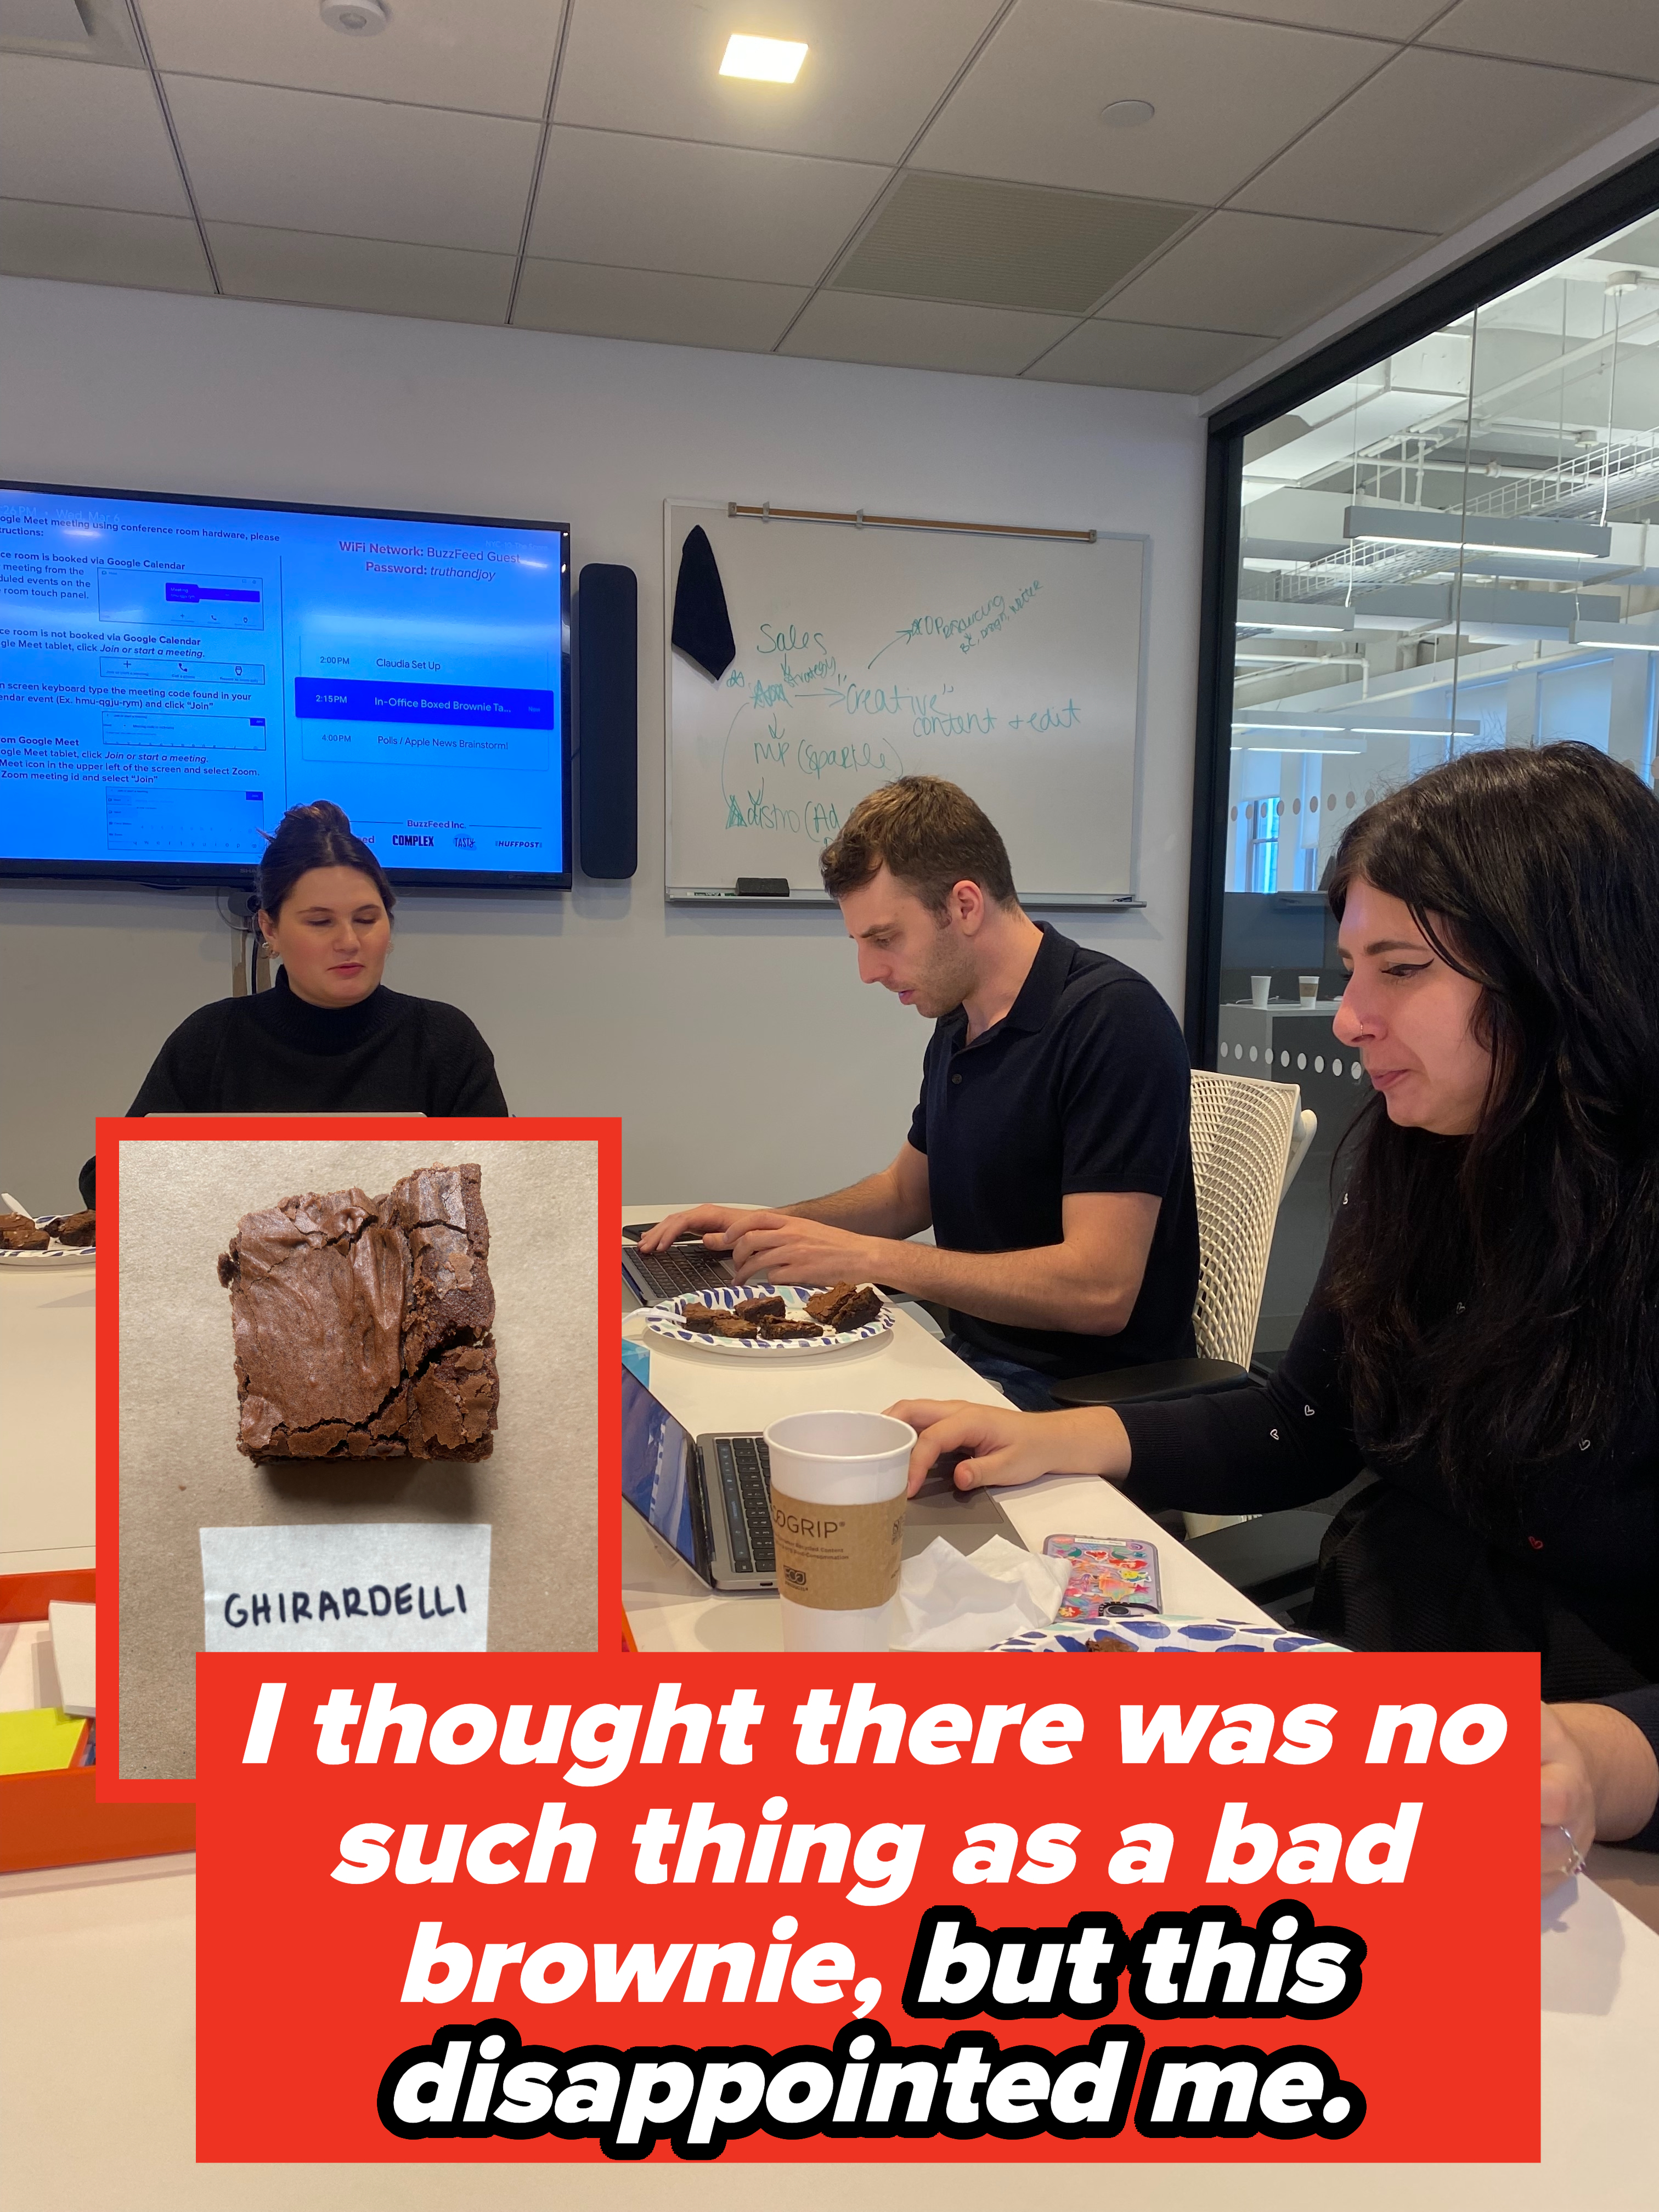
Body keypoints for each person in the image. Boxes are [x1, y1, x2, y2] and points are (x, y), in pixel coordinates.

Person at [884, 743, 1659, 1875]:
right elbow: (1306, 1426)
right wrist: (1046, 1439)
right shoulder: (1422, 1160)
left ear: (1564, 976)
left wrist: (1596, 1759)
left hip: (1591, 1799)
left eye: (1399, 970)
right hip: (1386, 1686)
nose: (1348, 1020)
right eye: (1349, 968)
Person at [641, 775, 1199, 1407]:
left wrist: (873, 1260)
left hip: (1083, 1400)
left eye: (884, 939)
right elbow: (909, 1193)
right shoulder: (960, 1021)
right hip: (972, 1363)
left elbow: (1100, 1292)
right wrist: (769, 1225)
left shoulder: (1112, 1021)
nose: (869, 972)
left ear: (964, 905)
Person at [124, 799, 509, 1116]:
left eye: (366, 919)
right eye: (321, 922)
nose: (349, 941)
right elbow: (111, 1175)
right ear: (270, 928)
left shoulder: (442, 1039)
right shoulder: (212, 1038)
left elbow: (500, 1180)